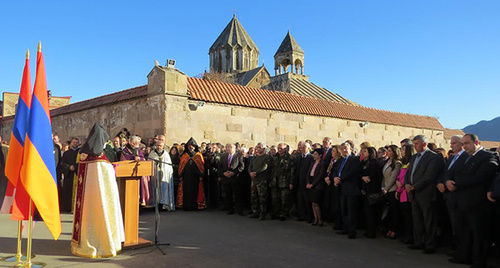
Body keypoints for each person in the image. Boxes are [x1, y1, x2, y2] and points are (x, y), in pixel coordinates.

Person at [71, 123, 125, 258]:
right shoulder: (103, 163)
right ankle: (104, 243)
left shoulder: (83, 158)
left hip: (86, 204)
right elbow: (109, 191)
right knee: (103, 214)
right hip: (101, 204)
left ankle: (83, 242)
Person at [446, 134, 498, 267]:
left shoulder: (487, 157)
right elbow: (452, 172)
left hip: (477, 204)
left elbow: (480, 178)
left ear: (477, 142)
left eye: (467, 143)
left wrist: (456, 183)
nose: (464, 146)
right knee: (464, 232)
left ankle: (478, 261)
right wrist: (447, 181)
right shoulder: (464, 157)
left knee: (478, 234)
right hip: (461, 202)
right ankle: (464, 256)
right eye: (462, 144)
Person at [404, 135, 443, 254]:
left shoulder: (434, 157)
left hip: (426, 193)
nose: (414, 146)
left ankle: (430, 244)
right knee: (417, 219)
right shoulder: (414, 157)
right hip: (413, 193)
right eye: (414, 144)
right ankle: (419, 241)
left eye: (417, 144)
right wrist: (406, 184)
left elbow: (429, 175)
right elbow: (408, 173)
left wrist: (415, 186)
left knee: (428, 220)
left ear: (424, 144)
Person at [436, 135, 468, 253]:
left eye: (454, 143)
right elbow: (445, 173)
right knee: (452, 223)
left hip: (457, 195)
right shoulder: (451, 158)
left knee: (459, 225)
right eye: (451, 143)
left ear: (461, 144)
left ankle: (461, 250)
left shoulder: (465, 157)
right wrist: (440, 182)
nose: (451, 145)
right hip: (447, 195)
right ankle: (455, 246)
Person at [334, 142, 361, 239]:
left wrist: (340, 178)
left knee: (351, 211)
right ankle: (345, 228)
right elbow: (335, 170)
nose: (344, 150)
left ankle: (352, 230)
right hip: (342, 188)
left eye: (345, 148)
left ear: (350, 148)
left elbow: (352, 172)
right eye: (342, 149)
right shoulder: (340, 160)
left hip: (351, 188)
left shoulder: (354, 159)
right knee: (344, 209)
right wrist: (335, 178)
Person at [121, 135, 153, 207]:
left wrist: (140, 159)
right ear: (132, 143)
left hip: (140, 173)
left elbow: (142, 159)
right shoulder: (125, 151)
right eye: (137, 143)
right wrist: (133, 158)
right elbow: (123, 161)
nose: (139, 144)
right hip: (129, 175)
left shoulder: (138, 151)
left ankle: (142, 201)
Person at [360, 146, 383, 238]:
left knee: (371, 212)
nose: (363, 153)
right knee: (366, 211)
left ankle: (372, 231)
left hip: (372, 189)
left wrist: (366, 178)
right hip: (365, 188)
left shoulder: (375, 163)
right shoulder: (364, 162)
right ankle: (367, 229)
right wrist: (362, 177)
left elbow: (372, 176)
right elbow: (360, 172)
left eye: (365, 151)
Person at [177, 137, 206, 210]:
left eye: (192, 146)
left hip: (195, 177)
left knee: (195, 191)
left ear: (195, 147)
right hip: (186, 176)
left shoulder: (198, 155)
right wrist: (180, 175)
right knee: (186, 191)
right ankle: (186, 206)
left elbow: (201, 166)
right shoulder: (184, 156)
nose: (191, 147)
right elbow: (181, 166)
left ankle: (195, 206)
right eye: (189, 145)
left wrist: (201, 175)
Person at [148, 135, 175, 211]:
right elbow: (149, 163)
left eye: (160, 146)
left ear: (163, 146)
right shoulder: (152, 153)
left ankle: (164, 204)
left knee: (164, 189)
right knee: (155, 188)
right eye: (157, 145)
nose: (159, 147)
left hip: (164, 175)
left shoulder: (166, 154)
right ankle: (155, 204)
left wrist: (163, 167)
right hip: (155, 175)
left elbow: (169, 166)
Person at [218, 143, 245, 215]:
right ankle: (230, 209)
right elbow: (219, 167)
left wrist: (233, 173)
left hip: (235, 178)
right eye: (227, 147)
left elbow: (241, 167)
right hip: (226, 179)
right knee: (228, 195)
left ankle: (239, 210)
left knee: (237, 195)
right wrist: (223, 173)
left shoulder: (239, 156)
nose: (228, 148)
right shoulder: (223, 156)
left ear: (234, 148)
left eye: (230, 147)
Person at [382, 145, 402, 239]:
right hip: (386, 188)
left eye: (390, 151)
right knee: (389, 210)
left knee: (394, 211)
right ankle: (389, 228)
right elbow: (384, 176)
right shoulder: (387, 162)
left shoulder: (397, 163)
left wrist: (386, 188)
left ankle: (394, 230)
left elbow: (393, 177)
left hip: (392, 189)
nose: (388, 152)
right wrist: (383, 187)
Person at [271, 143, 296, 221]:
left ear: (285, 149)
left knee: (285, 199)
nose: (279, 150)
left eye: (281, 148)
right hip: (275, 181)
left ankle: (284, 213)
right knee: (275, 198)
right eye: (278, 148)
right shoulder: (275, 158)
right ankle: (276, 213)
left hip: (285, 181)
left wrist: (291, 182)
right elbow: (272, 170)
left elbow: (292, 171)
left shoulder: (290, 158)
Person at [248, 142, 272, 220]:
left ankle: (262, 213)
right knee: (253, 196)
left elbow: (265, 167)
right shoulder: (254, 157)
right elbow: (250, 166)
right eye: (257, 147)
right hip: (254, 180)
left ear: (264, 148)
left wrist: (256, 172)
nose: (258, 148)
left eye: (260, 147)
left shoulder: (267, 157)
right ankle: (255, 212)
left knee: (262, 197)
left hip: (262, 179)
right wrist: (250, 172)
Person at [293, 141, 314, 222]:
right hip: (299, 182)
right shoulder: (299, 157)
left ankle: (309, 216)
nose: (302, 149)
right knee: (300, 200)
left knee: (307, 200)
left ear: (308, 148)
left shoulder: (311, 158)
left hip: (306, 182)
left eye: (304, 147)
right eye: (301, 147)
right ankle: (301, 215)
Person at [323, 145, 343, 229]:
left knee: (337, 205)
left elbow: (336, 172)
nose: (332, 152)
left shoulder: (340, 161)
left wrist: (330, 178)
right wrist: (326, 177)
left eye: (334, 151)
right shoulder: (332, 160)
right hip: (329, 183)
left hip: (336, 184)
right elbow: (328, 170)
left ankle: (338, 223)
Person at [60, 137, 80, 212]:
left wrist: (75, 167)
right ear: (71, 143)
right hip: (68, 175)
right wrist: (69, 167)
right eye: (73, 142)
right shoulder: (66, 153)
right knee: (67, 191)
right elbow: (62, 163)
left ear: (79, 143)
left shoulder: (80, 153)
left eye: (76, 142)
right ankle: (67, 208)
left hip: (76, 174)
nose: (75, 144)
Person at [307, 148, 326, 226]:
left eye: (315, 154)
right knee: (312, 203)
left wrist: (313, 184)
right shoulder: (312, 163)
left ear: (320, 155)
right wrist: (308, 182)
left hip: (317, 185)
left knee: (316, 202)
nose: (314, 156)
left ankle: (320, 219)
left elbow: (320, 176)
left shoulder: (322, 164)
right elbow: (308, 173)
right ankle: (315, 219)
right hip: (311, 182)